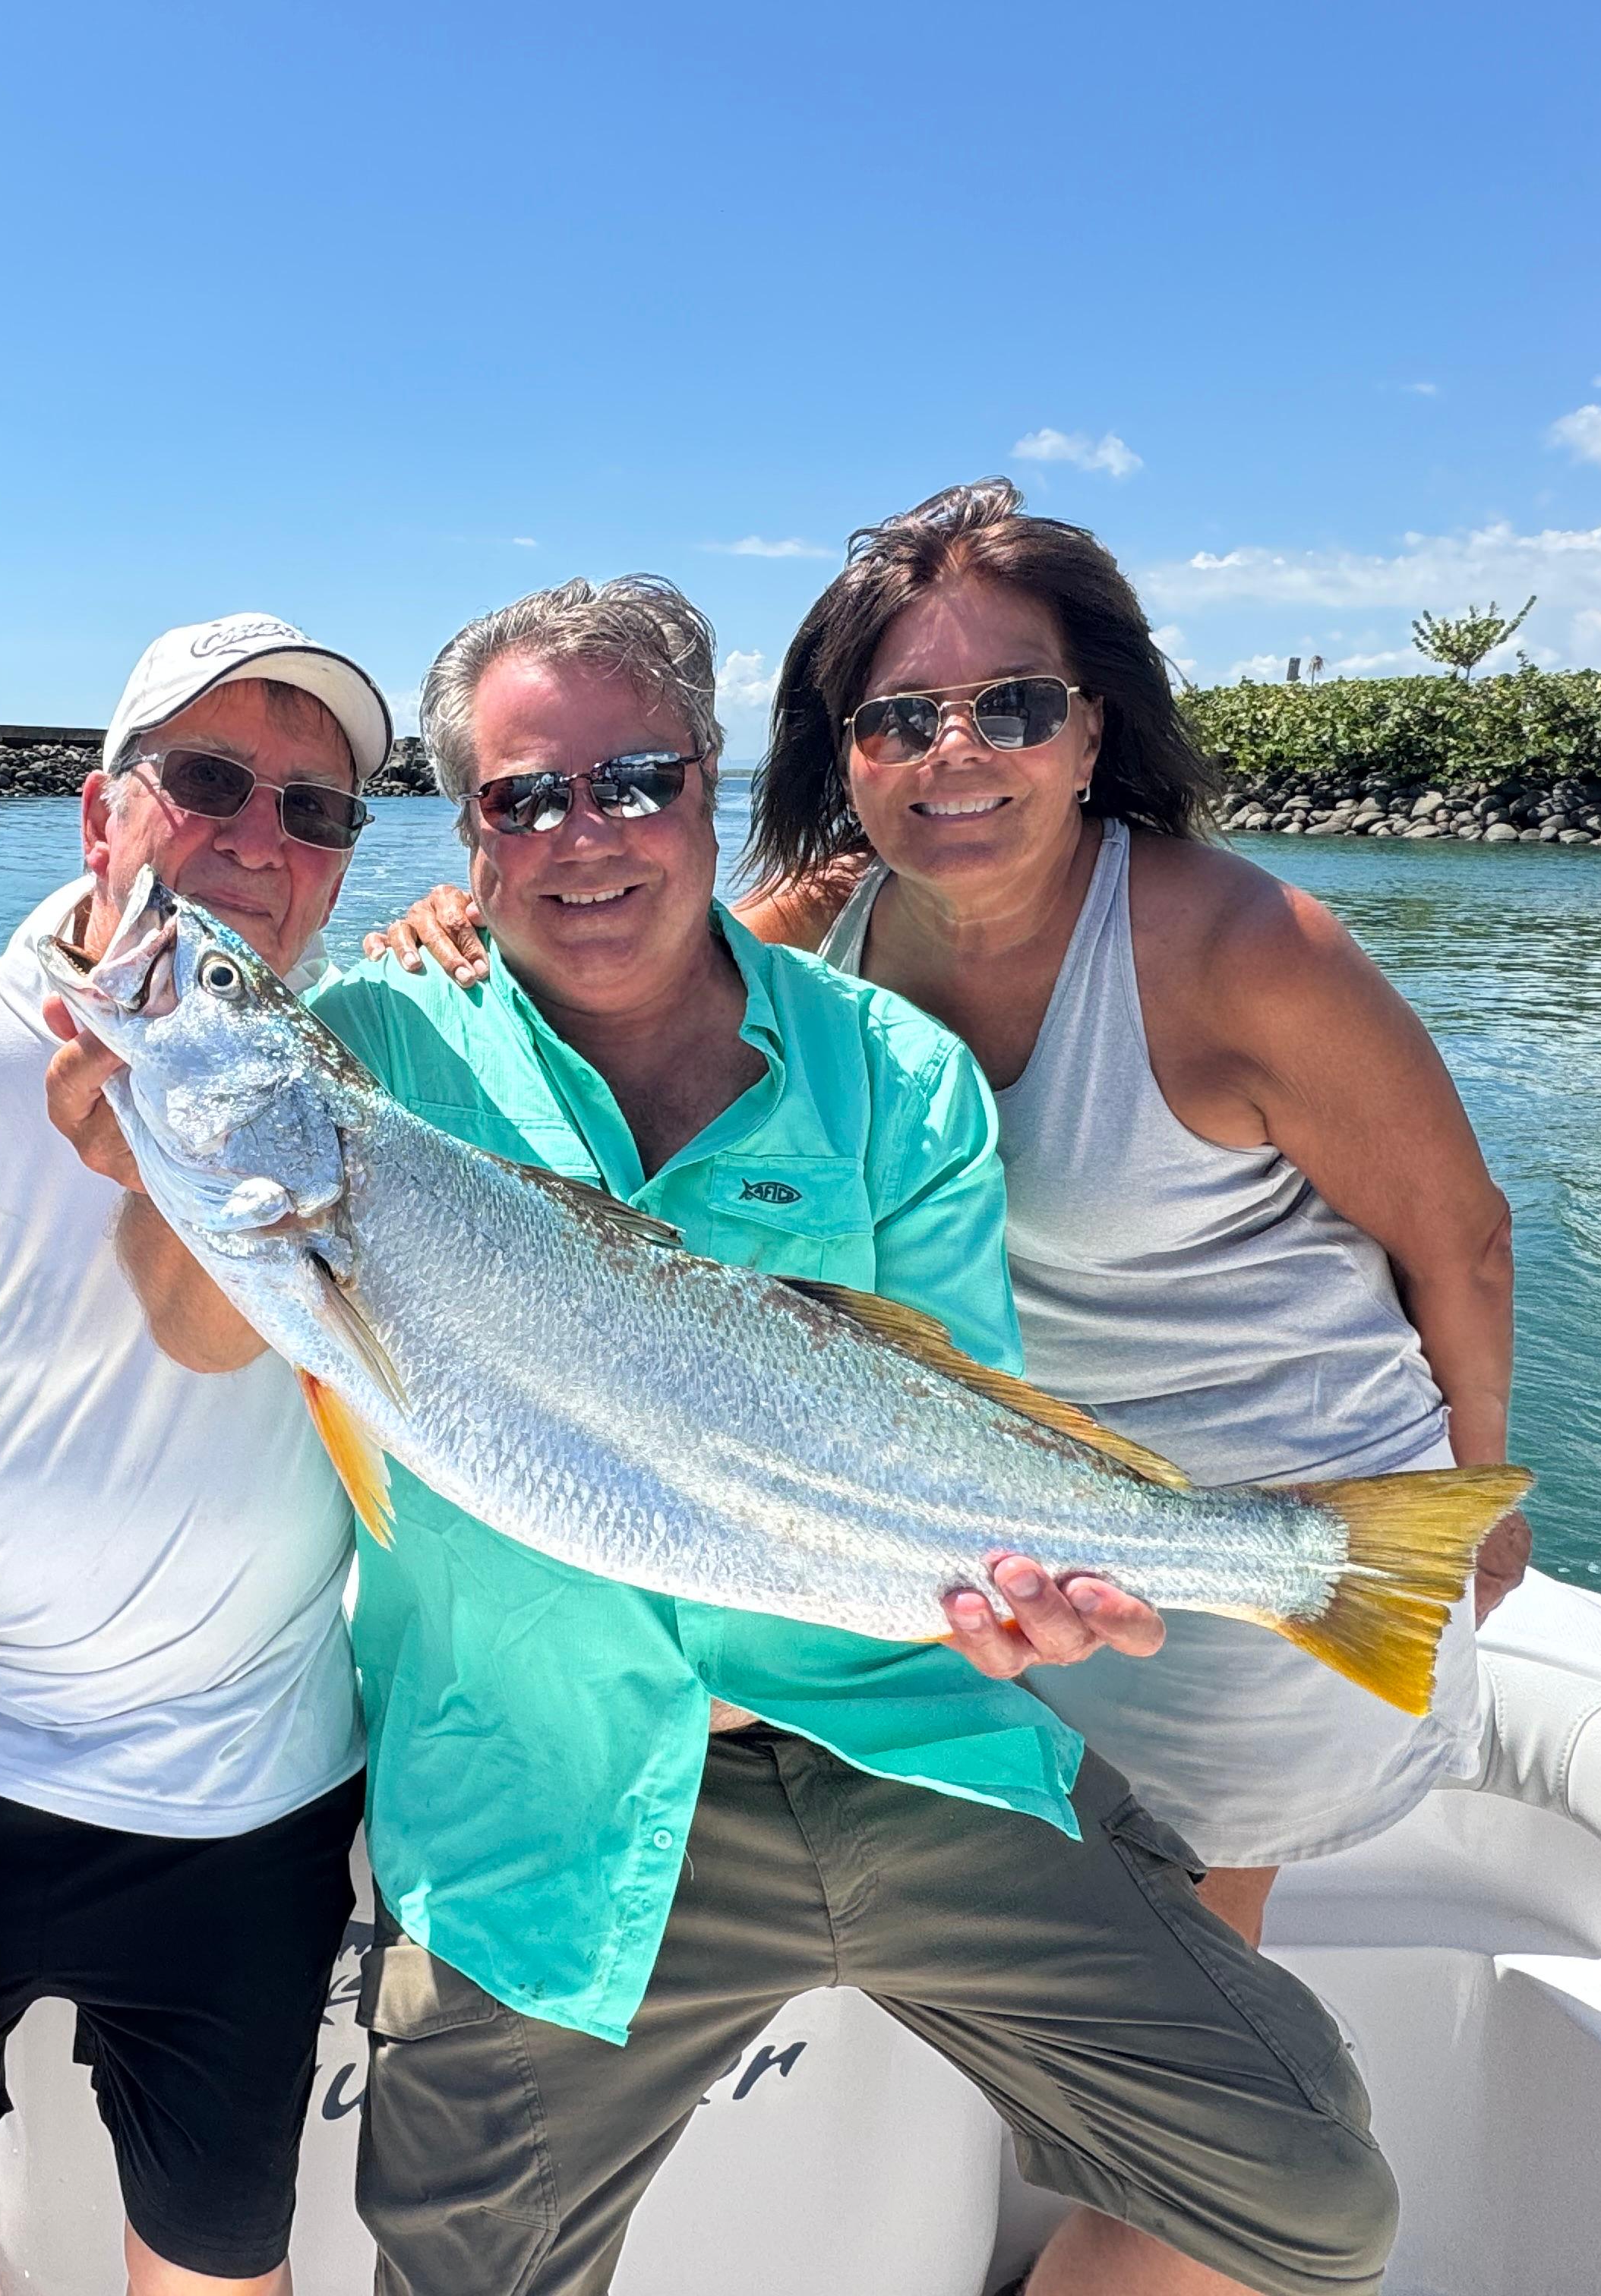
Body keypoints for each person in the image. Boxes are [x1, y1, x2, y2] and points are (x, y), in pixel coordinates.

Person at [68, 573, 1404, 2296]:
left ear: (710, 785)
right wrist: (158, 1144)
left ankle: (1305, 1563)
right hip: (547, 1794)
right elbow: (203, 1325)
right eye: (524, 798)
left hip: (904, 1745)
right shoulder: (372, 1049)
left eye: (635, 782)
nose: (584, 836)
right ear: (469, 835)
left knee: (1307, 2188)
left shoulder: (898, 1073)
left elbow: (966, 1406)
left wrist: (1032, 1596)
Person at [373, 498, 1524, 2293]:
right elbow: (630, 926)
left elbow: (1460, 1237)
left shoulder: (1195, 960)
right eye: (900, 717)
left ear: (1094, 725)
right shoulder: (767, 941)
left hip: (1079, 1612)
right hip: (669, 1713)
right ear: (843, 761)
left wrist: (1479, 1495)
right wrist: (458, 917)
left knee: (1273, 2163)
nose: (956, 751)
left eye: (1015, 706)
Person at [0, 614, 392, 2296]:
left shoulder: (376, 1070)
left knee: (216, 2269)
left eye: (317, 808)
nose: (262, 837)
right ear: (101, 814)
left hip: (256, 1798)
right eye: (209, 780)